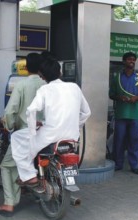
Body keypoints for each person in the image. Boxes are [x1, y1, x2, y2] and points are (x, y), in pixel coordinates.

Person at [11, 57, 91, 191]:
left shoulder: (44, 90)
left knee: (16, 138)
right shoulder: (74, 87)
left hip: (51, 136)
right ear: (60, 72)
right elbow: (86, 112)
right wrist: (76, 127)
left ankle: (29, 176)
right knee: (33, 137)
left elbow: (31, 111)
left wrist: (32, 132)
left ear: (42, 76)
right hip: (72, 137)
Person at [0, 53, 46, 217]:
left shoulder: (22, 85)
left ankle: (9, 203)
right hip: (46, 134)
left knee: (6, 165)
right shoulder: (47, 85)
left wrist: (9, 126)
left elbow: (10, 111)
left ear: (26, 66)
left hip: (25, 134)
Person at [109, 51, 138, 175]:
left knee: (135, 140)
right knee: (119, 139)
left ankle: (135, 166)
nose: (132, 61)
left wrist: (136, 98)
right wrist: (120, 97)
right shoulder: (117, 76)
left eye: (133, 59)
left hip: (135, 115)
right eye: (129, 59)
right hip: (121, 114)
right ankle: (118, 164)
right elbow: (111, 94)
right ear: (124, 61)